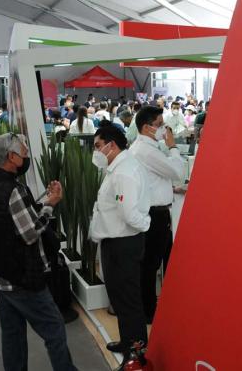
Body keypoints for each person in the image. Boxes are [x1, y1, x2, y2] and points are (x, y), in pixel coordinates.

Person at [0, 133, 77, 371]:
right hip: (24, 277)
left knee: (13, 335)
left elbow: (9, 222)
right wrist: (49, 205)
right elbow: (29, 233)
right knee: (54, 327)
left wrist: (42, 203)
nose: (26, 156)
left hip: (1, 275)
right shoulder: (12, 189)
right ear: (11, 157)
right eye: (24, 153)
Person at [89, 125, 150, 364]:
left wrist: (145, 224)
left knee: (128, 301)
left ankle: (137, 355)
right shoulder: (116, 168)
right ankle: (127, 343)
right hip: (114, 243)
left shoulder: (124, 172)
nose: (96, 151)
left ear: (111, 145)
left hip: (124, 244)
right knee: (120, 298)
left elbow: (129, 214)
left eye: (97, 146)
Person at [130, 106, 185, 323]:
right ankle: (149, 312)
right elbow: (178, 172)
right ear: (147, 127)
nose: (164, 129)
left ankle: (150, 309)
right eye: (160, 124)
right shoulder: (147, 150)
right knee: (151, 266)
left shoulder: (144, 148)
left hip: (154, 210)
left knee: (151, 264)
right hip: (155, 215)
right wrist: (172, 147)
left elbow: (151, 180)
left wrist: (170, 189)